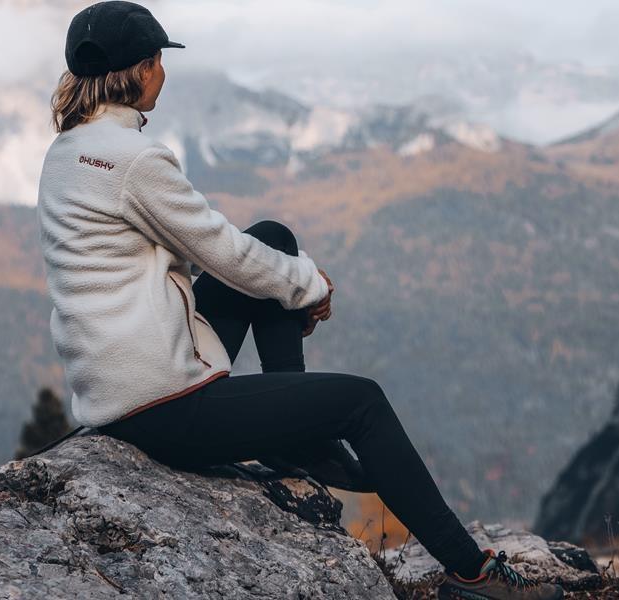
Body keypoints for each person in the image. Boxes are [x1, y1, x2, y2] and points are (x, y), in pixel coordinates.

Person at [36, 2, 565, 598]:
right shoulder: (134, 161)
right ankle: (470, 573)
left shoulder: (66, 153)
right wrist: (309, 285)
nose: (163, 71)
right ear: (138, 70)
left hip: (118, 390)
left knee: (273, 238)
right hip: (162, 407)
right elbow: (223, 253)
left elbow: (220, 247)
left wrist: (287, 273)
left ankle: (298, 442)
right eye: (158, 59)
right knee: (361, 402)